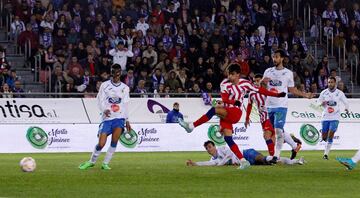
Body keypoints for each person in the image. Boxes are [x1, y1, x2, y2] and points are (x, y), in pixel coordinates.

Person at [178, 63, 286, 170]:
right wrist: (234, 102)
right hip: (227, 112)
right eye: (229, 74)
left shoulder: (245, 83)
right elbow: (224, 99)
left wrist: (277, 95)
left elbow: (260, 90)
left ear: (238, 74)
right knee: (228, 139)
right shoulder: (224, 84)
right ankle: (243, 161)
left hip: (235, 112)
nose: (230, 76)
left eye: (232, 74)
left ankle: (191, 127)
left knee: (214, 110)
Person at [263, 49, 314, 163]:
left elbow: (292, 90)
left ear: (282, 58)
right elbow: (262, 87)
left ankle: (276, 156)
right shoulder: (268, 71)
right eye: (273, 57)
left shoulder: (288, 73)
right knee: (273, 131)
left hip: (281, 105)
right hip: (269, 105)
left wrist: (305, 95)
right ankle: (294, 145)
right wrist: (262, 82)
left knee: (278, 130)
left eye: (276, 57)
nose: (274, 59)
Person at [79, 64, 131, 170]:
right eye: (114, 72)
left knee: (114, 141)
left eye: (118, 72)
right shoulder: (105, 85)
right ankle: (91, 161)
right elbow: (99, 100)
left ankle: (105, 163)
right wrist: (104, 110)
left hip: (119, 118)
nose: (116, 74)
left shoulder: (125, 88)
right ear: (111, 73)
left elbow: (125, 104)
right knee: (101, 143)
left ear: (120, 73)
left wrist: (127, 120)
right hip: (107, 118)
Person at [186, 141, 305, 166]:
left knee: (262, 159)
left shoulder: (222, 149)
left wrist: (221, 164)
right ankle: (296, 161)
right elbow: (208, 163)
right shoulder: (214, 160)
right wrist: (195, 163)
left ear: (214, 146)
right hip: (248, 163)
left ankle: (295, 160)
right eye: (207, 148)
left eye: (210, 147)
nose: (209, 149)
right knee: (271, 163)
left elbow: (231, 153)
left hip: (247, 154)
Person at [317, 77, 349, 160]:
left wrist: (346, 108)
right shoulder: (324, 93)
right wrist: (321, 103)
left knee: (331, 133)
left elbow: (346, 102)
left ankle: (325, 154)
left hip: (335, 116)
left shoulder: (340, 93)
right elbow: (317, 103)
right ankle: (325, 140)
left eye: (331, 82)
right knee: (324, 137)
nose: (330, 84)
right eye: (329, 82)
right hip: (325, 116)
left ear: (335, 83)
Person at [245, 74, 276, 156]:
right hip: (262, 117)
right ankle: (291, 141)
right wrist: (247, 118)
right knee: (271, 137)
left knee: (267, 135)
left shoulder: (267, 89)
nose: (256, 82)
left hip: (269, 116)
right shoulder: (251, 93)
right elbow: (249, 105)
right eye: (254, 81)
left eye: (258, 80)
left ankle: (272, 157)